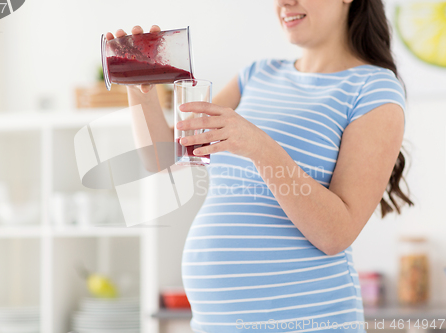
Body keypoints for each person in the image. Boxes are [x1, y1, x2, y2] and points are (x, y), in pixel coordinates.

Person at [106, 0, 414, 331]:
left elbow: (336, 234)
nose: (284, 3)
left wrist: (258, 146)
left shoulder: (373, 89)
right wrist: (140, 90)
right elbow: (163, 157)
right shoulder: (257, 74)